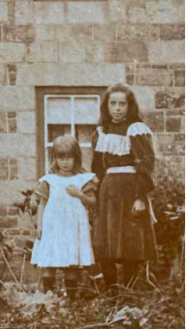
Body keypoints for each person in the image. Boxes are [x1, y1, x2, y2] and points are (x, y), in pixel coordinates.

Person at [91, 83, 158, 292]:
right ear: (107, 106)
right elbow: (97, 168)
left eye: (122, 104)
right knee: (104, 244)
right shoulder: (101, 132)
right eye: (113, 103)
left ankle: (128, 293)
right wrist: (94, 192)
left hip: (130, 190)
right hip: (107, 192)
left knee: (130, 244)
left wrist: (140, 197)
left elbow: (146, 163)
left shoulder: (136, 130)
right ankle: (112, 292)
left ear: (130, 106)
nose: (117, 108)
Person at [31, 136, 97, 299]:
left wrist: (80, 194)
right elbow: (42, 204)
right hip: (54, 226)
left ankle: (71, 300)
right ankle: (48, 297)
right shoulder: (49, 180)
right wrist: (40, 225)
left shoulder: (82, 179)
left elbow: (93, 202)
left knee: (70, 263)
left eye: (69, 157)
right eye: (61, 158)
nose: (65, 162)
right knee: (50, 262)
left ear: (76, 158)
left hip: (73, 227)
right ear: (55, 159)